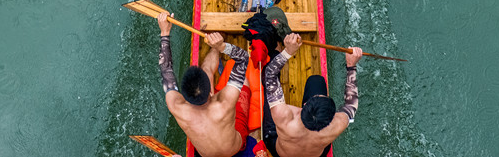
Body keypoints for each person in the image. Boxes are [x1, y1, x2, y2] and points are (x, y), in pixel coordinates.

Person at [155, 12, 259, 157]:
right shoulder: (225, 103)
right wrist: (222, 46)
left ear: (184, 95)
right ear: (211, 90)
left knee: (206, 69)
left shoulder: (177, 106)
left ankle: (214, 49)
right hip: (236, 148)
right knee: (244, 82)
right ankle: (216, 46)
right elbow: (242, 59)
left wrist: (164, 33)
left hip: (206, 154)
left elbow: (166, 70)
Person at [259, 33, 362, 157]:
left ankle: (276, 49)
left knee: (269, 92)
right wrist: (351, 66)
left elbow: (270, 74)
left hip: (281, 150)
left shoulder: (284, 117)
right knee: (316, 81)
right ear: (331, 117)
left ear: (306, 104)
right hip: (315, 152)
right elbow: (351, 105)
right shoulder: (336, 125)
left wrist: (288, 51)